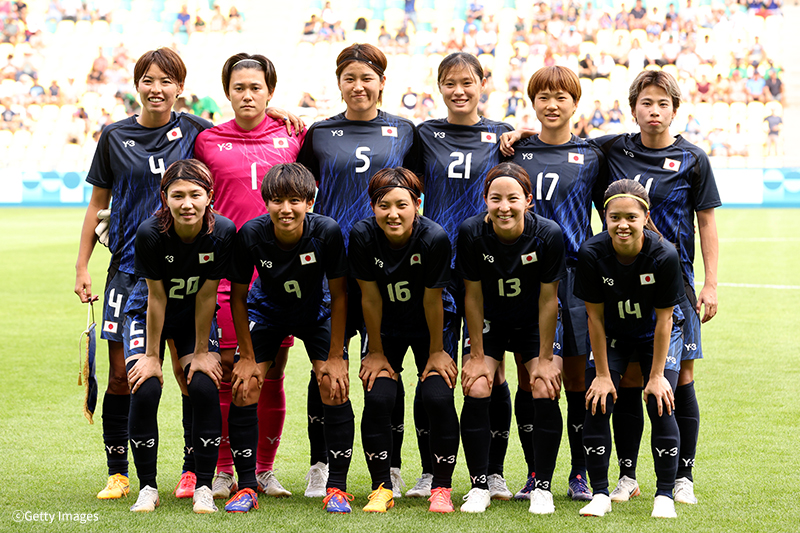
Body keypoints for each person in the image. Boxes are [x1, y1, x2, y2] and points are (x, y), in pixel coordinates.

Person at [74, 48, 213, 502]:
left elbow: (238, 136)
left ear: (179, 86)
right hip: (128, 273)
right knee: (122, 375)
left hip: (184, 273)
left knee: (187, 371)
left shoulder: (195, 129)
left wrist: (281, 114)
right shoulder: (114, 135)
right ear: (137, 85)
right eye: (149, 80)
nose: (157, 89)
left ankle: (192, 471)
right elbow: (98, 205)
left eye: (167, 80)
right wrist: (82, 266)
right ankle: (118, 472)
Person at [591, 69, 720, 506]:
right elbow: (564, 140)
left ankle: (682, 475)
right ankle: (627, 476)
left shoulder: (693, 159)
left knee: (679, 376)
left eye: (663, 103)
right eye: (646, 103)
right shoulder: (612, 148)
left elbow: (706, 223)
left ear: (675, 110)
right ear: (633, 109)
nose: (654, 111)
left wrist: (711, 284)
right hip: (622, 282)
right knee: (629, 377)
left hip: (674, 281)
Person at [296, 43, 418, 500]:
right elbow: (298, 186)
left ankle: (393, 465)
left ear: (382, 82)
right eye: (350, 78)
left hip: (383, 268)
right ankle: (320, 463)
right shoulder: (319, 132)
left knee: (383, 365)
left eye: (368, 78)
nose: (359, 86)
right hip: (328, 266)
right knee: (326, 366)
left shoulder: (405, 132)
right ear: (339, 83)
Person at [193, 53, 305, 503]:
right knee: (227, 373)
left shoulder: (292, 135)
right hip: (226, 276)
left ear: (270, 93)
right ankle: (223, 470)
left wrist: (283, 116)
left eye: (256, 87)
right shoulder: (206, 140)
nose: (247, 95)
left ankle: (263, 470)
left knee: (272, 372)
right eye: (239, 87)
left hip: (277, 278)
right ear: (227, 92)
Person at [498, 66, 607, 505]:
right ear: (533, 103)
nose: (552, 104)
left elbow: (613, 209)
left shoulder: (592, 155)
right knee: (531, 378)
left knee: (578, 379)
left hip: (575, 279)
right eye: (543, 96)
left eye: (562, 96)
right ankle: (535, 471)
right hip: (524, 277)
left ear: (575, 104)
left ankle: (579, 473)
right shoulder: (514, 152)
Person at [414, 52, 514, 502]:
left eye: (467, 82)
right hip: (435, 266)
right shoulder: (424, 134)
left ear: (482, 84)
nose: (459, 91)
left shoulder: (502, 136)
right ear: (439, 87)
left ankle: (493, 471)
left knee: (490, 370)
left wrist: (524, 132)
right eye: (450, 83)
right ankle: (428, 472)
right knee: (432, 369)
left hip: (488, 268)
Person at [227, 163, 351, 513]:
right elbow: (237, 296)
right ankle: (247, 487)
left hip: (317, 314)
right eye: (277, 200)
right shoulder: (251, 234)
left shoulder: (326, 231)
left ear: (309, 202)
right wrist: (248, 357)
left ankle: (337, 488)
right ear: (266, 202)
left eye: (295, 200)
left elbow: (340, 295)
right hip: (267, 313)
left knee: (333, 382)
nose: (286, 209)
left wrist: (337, 355)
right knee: (245, 384)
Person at [124, 159, 236, 513]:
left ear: (209, 197)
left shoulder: (223, 232)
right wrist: (152, 357)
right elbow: (156, 298)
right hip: (148, 313)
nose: (187, 203)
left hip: (193, 317)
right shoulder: (150, 233)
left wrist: (202, 352)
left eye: (195, 195)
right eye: (178, 196)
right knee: (147, 386)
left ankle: (203, 485)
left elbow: (207, 295)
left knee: (204, 384)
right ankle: (147, 487)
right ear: (165, 198)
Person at [349, 168, 460, 513]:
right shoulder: (363, 235)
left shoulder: (434, 238)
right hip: (385, 327)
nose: (393, 213)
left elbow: (433, 300)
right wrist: (377, 352)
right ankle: (381, 487)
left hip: (430, 327)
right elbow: (369, 297)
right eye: (384, 206)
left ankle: (441, 487)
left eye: (402, 205)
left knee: (437, 396)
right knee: (379, 396)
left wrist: (438, 351)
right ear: (373, 207)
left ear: (417, 204)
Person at [456, 162, 565, 513]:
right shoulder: (471, 232)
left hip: (533, 322)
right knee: (476, 385)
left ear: (528, 200)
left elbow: (550, 300)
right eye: (495, 198)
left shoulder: (548, 234)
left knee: (544, 385)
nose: (504, 206)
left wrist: (546, 360)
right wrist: (475, 354)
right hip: (490, 322)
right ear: (485, 200)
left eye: (513, 198)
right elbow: (471, 296)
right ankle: (480, 485)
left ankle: (541, 486)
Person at [575, 179, 684, 519]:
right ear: (604, 217)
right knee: (597, 400)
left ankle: (664, 495)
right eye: (614, 217)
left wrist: (656, 377)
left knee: (660, 400)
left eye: (631, 217)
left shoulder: (663, 254)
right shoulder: (592, 253)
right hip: (612, 336)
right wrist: (604, 376)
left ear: (645, 217)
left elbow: (665, 320)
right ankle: (601, 493)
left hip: (656, 335)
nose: (622, 224)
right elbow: (594, 318)